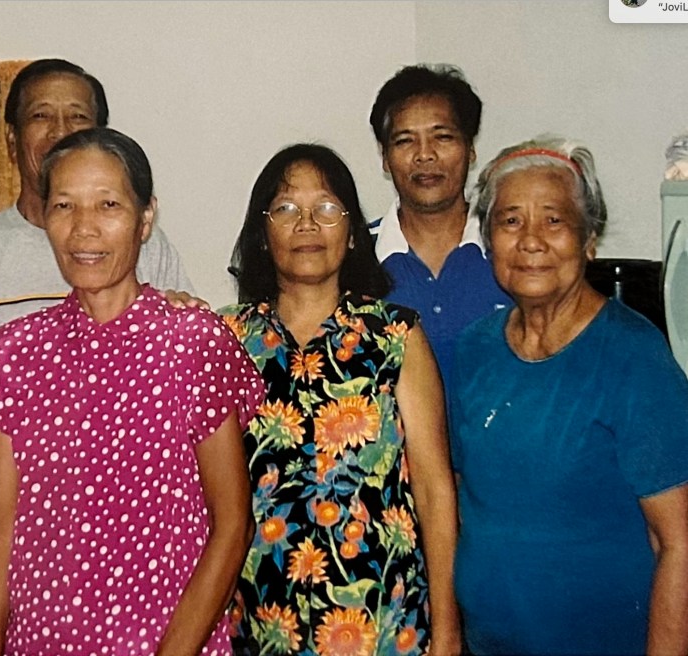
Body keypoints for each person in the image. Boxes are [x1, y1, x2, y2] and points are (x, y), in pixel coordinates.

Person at [0, 127, 265, 655]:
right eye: (64, 206)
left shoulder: (193, 344)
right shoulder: (13, 352)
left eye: (108, 204)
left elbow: (233, 525)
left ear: (145, 218)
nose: (84, 229)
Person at [450, 136, 688, 655]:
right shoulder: (473, 352)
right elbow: (467, 504)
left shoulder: (634, 357)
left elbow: (680, 543)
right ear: (489, 241)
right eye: (510, 221)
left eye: (554, 220)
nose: (531, 240)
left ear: (589, 239)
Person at [222, 144, 461, 656]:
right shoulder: (226, 339)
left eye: (327, 208)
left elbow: (436, 491)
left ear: (352, 233)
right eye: (286, 208)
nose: (307, 224)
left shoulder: (395, 336)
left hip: (385, 624)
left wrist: (447, 630)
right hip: (259, 625)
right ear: (262, 234)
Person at [0, 58, 193, 335]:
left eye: (78, 117)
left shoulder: (143, 244)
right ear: (11, 139)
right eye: (41, 116)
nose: (61, 131)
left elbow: (178, 336)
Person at [368, 64, 509, 385]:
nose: (425, 155)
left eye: (442, 137)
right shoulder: (354, 257)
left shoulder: (513, 248)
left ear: (470, 147)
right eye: (405, 141)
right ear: (384, 157)